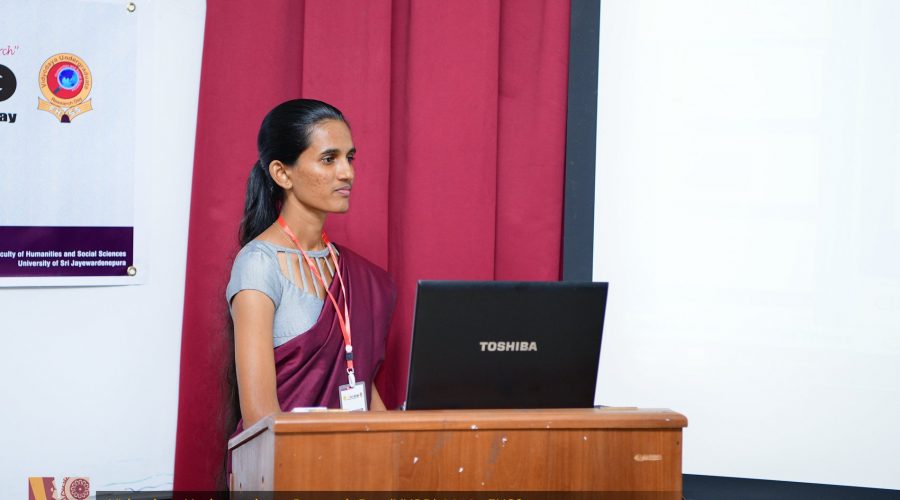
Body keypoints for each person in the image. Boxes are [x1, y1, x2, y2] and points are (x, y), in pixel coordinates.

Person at [225, 99, 396, 435]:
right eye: (329, 159)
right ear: (282, 173)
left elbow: (361, 384)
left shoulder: (352, 272)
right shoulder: (258, 264)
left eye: (349, 158)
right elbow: (261, 418)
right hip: (286, 460)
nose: (347, 173)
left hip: (355, 456)